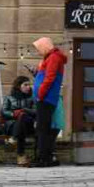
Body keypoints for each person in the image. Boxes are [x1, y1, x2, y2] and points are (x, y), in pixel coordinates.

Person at [32, 37, 68, 167]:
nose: (38, 51)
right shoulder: (51, 57)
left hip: (46, 98)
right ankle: (45, 157)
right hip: (46, 98)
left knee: (43, 129)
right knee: (43, 128)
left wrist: (41, 94)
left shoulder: (54, 57)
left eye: (39, 48)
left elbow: (50, 77)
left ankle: (43, 158)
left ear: (45, 46)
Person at [1, 76, 37, 166]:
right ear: (18, 86)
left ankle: (14, 139)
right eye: (25, 85)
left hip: (28, 124)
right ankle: (21, 157)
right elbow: (4, 111)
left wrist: (24, 110)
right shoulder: (9, 97)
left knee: (23, 117)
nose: (28, 87)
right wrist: (13, 114)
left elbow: (35, 111)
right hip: (12, 125)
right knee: (21, 127)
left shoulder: (31, 98)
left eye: (29, 85)